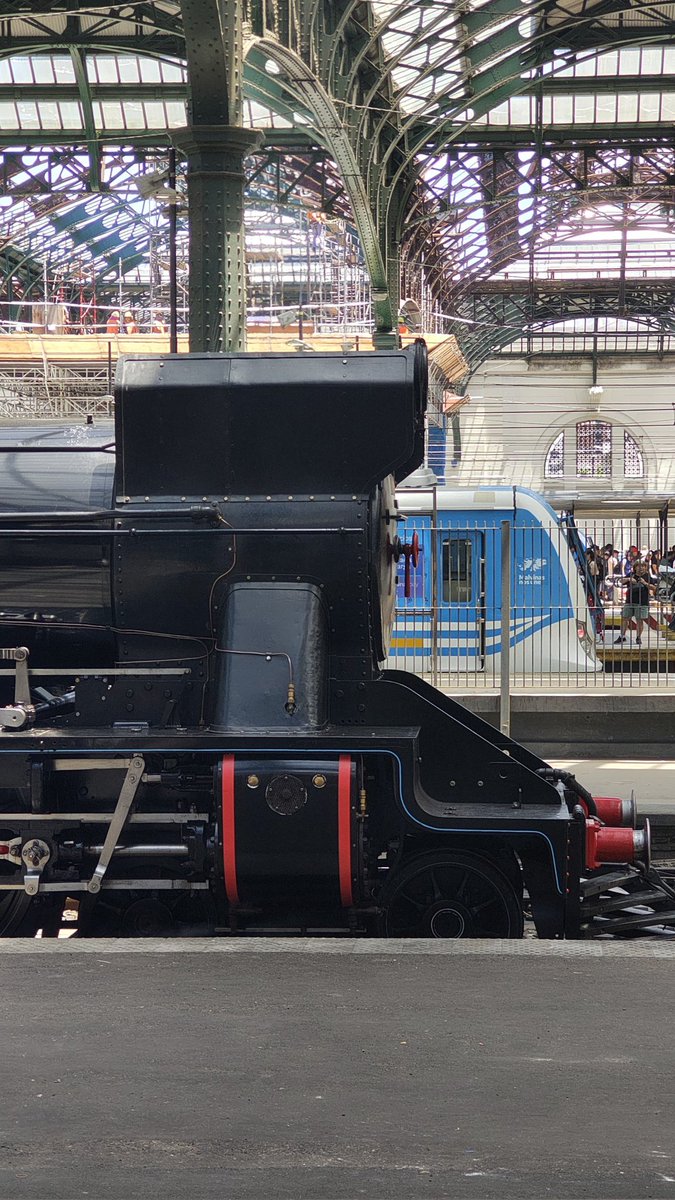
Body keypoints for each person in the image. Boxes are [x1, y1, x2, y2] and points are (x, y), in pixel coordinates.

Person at [615, 560, 654, 645]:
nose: (641, 568)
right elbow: (621, 581)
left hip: (642, 602)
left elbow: (653, 588)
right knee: (625, 618)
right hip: (629, 601)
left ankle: (638, 637)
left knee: (639, 620)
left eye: (643, 566)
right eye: (639, 566)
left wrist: (645, 583)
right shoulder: (631, 575)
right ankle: (622, 636)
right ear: (635, 568)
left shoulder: (647, 576)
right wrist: (629, 579)